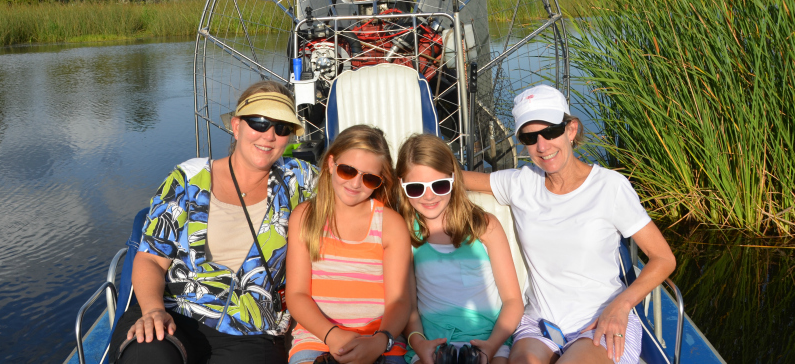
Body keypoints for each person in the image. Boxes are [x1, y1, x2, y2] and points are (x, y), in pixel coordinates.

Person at [463, 85, 676, 364]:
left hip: (601, 321)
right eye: (530, 137)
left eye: (550, 131)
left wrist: (621, 306)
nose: (542, 146)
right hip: (540, 324)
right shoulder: (521, 183)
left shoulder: (610, 187)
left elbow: (663, 258)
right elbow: (454, 177)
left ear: (571, 130)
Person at [110, 80, 319, 364]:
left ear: (290, 137)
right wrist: (153, 310)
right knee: (149, 355)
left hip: (248, 330)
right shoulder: (188, 179)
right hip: (173, 311)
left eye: (281, 127)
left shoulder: (301, 181)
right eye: (259, 122)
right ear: (236, 126)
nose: (269, 135)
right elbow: (151, 260)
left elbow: (357, 184)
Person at [286, 125, 412, 364]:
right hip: (317, 338)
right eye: (347, 171)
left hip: (381, 340)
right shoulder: (305, 217)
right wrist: (332, 335)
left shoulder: (390, 225)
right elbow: (297, 294)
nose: (356, 184)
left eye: (370, 178)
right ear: (331, 164)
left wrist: (379, 341)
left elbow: (400, 301)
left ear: (380, 181)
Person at [395, 134, 524, 364]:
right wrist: (419, 343)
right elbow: (410, 309)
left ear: (453, 179)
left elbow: (513, 301)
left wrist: (491, 347)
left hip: (489, 341)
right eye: (416, 188)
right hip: (432, 344)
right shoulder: (405, 234)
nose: (429, 196)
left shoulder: (484, 226)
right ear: (402, 186)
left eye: (440, 185)